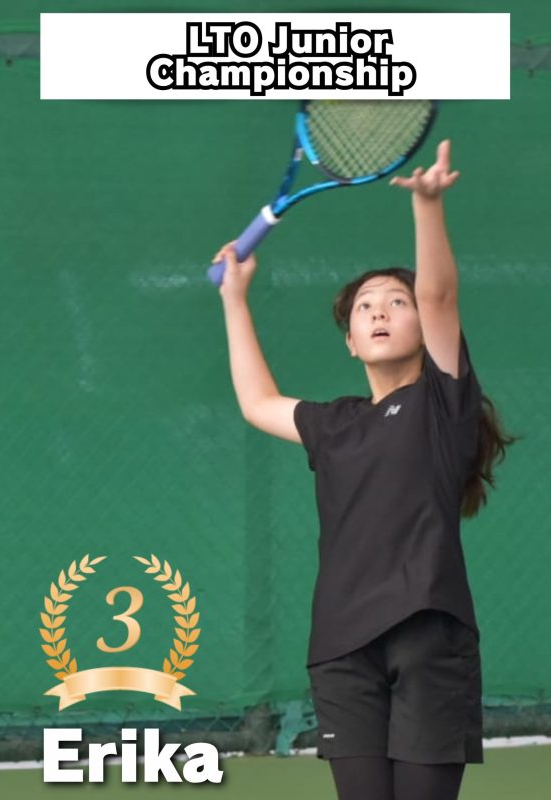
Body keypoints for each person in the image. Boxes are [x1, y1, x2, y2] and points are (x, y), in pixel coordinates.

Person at [213, 140, 515, 800]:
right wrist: (235, 299)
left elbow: (439, 294)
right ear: (351, 341)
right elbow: (258, 403)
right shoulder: (335, 423)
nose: (380, 310)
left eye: (396, 302)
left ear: (422, 327)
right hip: (341, 649)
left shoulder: (442, 403)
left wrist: (427, 207)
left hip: (428, 636)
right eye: (365, 306)